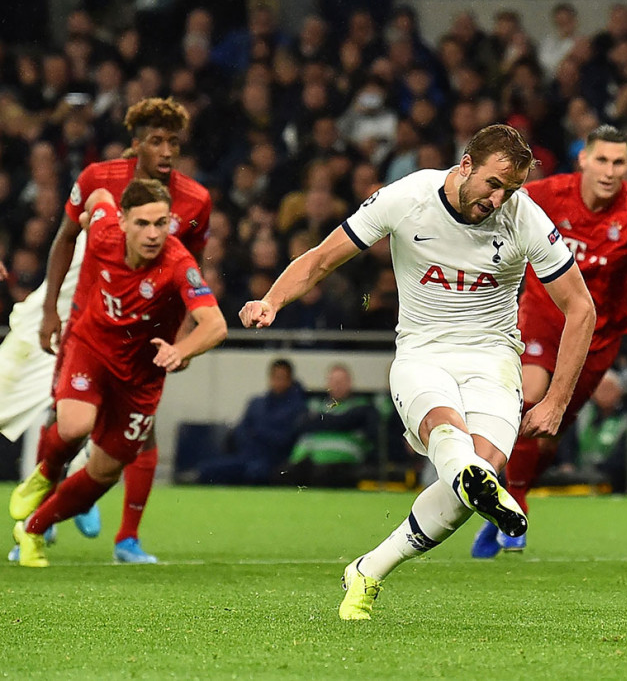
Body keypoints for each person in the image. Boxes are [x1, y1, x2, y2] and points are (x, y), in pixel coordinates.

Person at [238, 124, 596, 620]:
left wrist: (557, 400)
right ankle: (471, 476)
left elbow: (581, 308)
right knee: (449, 435)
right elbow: (322, 260)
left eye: (511, 189)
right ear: (466, 165)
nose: (498, 200)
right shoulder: (408, 197)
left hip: (493, 359)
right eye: (493, 184)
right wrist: (271, 300)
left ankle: (369, 568)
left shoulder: (525, 217)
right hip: (422, 354)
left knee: (473, 482)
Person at [472, 125, 627, 558]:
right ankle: (512, 506)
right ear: (584, 160)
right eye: (602, 160)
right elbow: (490, 203)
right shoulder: (549, 194)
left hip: (596, 338)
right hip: (541, 319)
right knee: (529, 398)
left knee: (548, 433)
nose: (609, 171)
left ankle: (514, 496)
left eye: (619, 162)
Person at [0, 97, 211, 564]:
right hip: (92, 319)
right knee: (70, 421)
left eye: (174, 142)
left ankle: (122, 536)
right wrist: (51, 311)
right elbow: (64, 238)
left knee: (137, 435)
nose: (166, 151)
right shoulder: (99, 179)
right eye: (156, 141)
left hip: (148, 330)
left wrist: (181, 337)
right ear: (135, 143)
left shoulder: (195, 199)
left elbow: (189, 269)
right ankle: (49, 496)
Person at [188, 359, 308, 486]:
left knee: (256, 473)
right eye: (275, 377)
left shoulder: (298, 408)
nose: (278, 382)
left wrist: (258, 432)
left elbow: (285, 439)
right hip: (246, 456)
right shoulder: (256, 403)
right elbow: (241, 431)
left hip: (273, 461)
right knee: (207, 469)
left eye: (282, 378)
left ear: (289, 380)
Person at [279, 363, 380, 488]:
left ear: (350, 383)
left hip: (344, 463)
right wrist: (339, 422)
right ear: (328, 384)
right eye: (334, 381)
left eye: (341, 381)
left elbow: (346, 421)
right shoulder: (315, 405)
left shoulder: (362, 407)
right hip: (310, 460)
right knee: (283, 473)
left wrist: (321, 421)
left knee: (323, 474)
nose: (337, 385)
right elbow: (301, 424)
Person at [554, 370, 627, 493]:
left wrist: (599, 470)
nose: (604, 393)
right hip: (577, 479)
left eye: (609, 389)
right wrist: (567, 463)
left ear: (620, 391)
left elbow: (625, 458)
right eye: (600, 388)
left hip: (611, 482)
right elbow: (567, 443)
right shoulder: (581, 415)